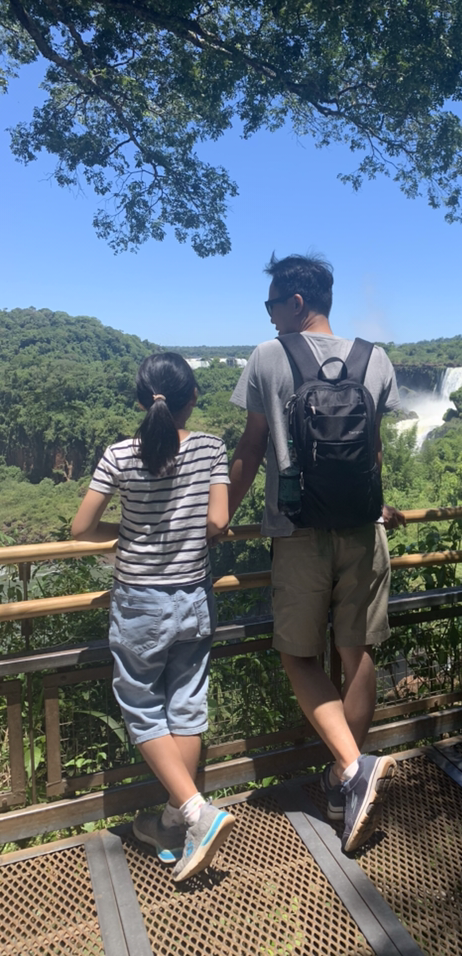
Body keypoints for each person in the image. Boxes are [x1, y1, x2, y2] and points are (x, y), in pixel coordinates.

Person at [228, 252, 404, 853]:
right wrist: (377, 503)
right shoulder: (375, 359)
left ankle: (351, 771)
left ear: (296, 302)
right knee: (357, 653)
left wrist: (219, 517)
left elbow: (252, 446)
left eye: (272, 304)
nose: (269, 315)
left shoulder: (268, 355)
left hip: (297, 531)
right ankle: (340, 784)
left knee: (299, 655)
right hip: (364, 528)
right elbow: (372, 450)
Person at [71, 352, 236, 882]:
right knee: (186, 706)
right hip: (193, 597)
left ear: (142, 400)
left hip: (140, 600)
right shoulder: (210, 447)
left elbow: (80, 528)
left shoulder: (119, 454)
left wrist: (128, 535)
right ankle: (171, 823)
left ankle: (196, 812)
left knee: (142, 708)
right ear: (193, 398)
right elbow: (218, 521)